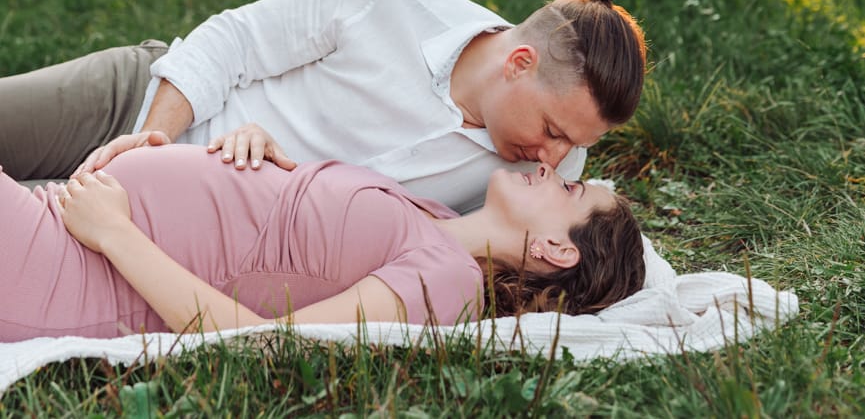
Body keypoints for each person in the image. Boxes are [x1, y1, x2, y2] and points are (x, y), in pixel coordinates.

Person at [0, 0, 647, 212]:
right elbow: (232, 41)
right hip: (144, 102)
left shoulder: (545, 173)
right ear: (518, 63)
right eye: (553, 131)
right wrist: (150, 144)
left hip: (193, 208)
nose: (555, 159)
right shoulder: (385, 0)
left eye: (574, 146)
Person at [0, 143, 646, 341]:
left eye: (569, 192)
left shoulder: (445, 283)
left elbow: (259, 345)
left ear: (556, 252)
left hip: (57, 273)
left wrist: (114, 232)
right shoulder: (430, 216)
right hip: (56, 225)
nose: (552, 173)